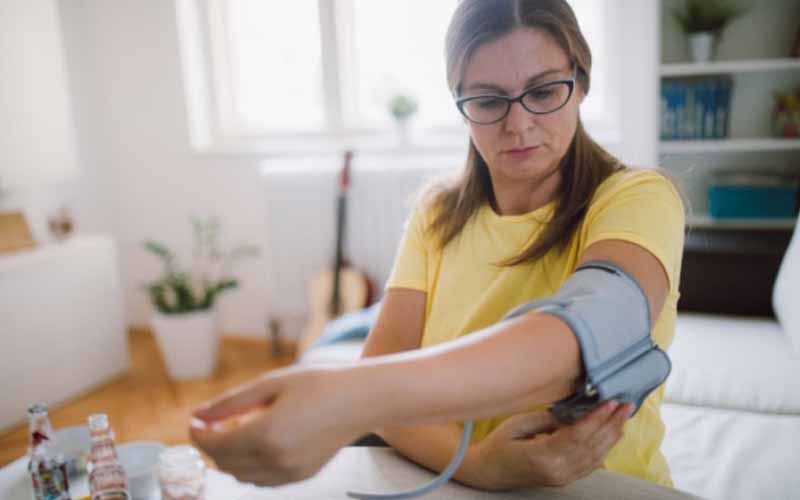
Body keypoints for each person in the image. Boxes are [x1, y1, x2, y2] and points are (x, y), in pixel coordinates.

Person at [190, 0, 685, 491]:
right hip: (455, 481)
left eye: (543, 91)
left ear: (580, 84)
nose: (518, 124)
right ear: (460, 105)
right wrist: (479, 465)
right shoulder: (436, 214)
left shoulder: (638, 197)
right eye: (489, 101)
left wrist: (347, 396)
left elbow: (589, 336)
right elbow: (383, 372)